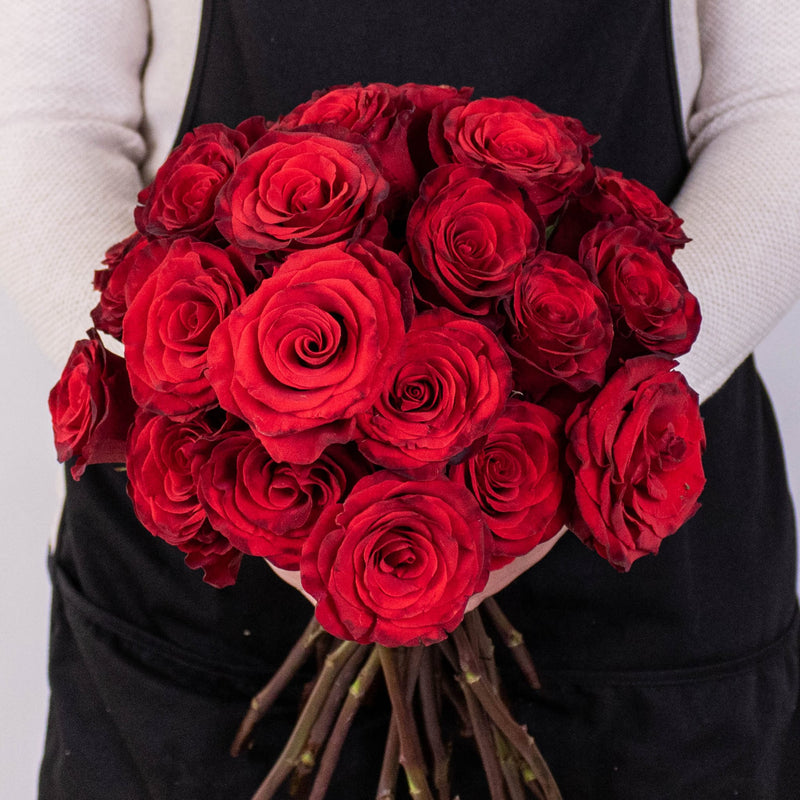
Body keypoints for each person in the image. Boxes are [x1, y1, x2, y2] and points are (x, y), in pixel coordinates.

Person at [2, 1, 799, 797]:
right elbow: (46, 117)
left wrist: (613, 415)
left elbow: (777, 106)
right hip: (205, 591)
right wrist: (231, 414)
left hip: (640, 590)